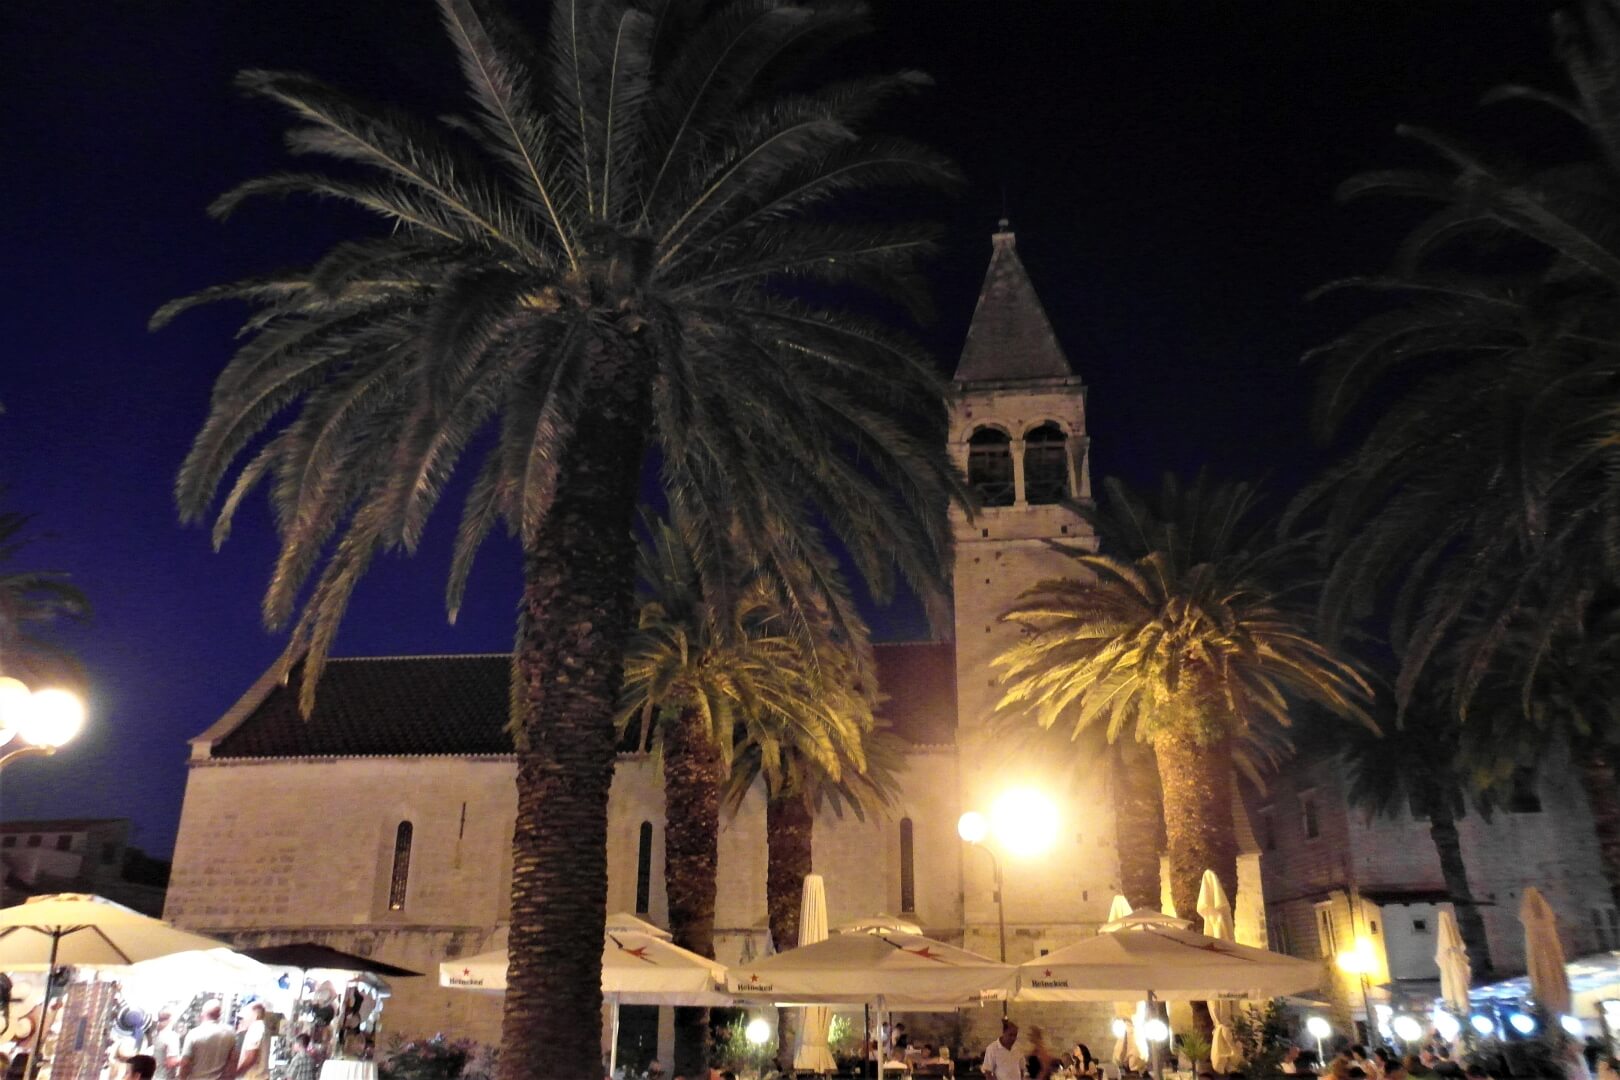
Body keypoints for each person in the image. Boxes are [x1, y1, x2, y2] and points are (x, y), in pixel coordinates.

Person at [178, 1001, 239, 1080]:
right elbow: (233, 1061)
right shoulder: (230, 1033)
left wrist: (182, 1078)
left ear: (202, 1014)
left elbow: (185, 1063)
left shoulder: (194, 1033)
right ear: (219, 1015)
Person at [236, 1004, 270, 1080]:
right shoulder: (264, 1027)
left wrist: (235, 1074)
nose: (243, 1020)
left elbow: (251, 1057)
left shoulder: (256, 1027)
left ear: (254, 1015)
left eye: (245, 1017)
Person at [152, 1009, 183, 1080]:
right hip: (166, 1077)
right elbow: (171, 1063)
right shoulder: (171, 1036)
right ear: (171, 1019)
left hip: (155, 1076)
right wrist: (186, 1059)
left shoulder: (156, 1034)